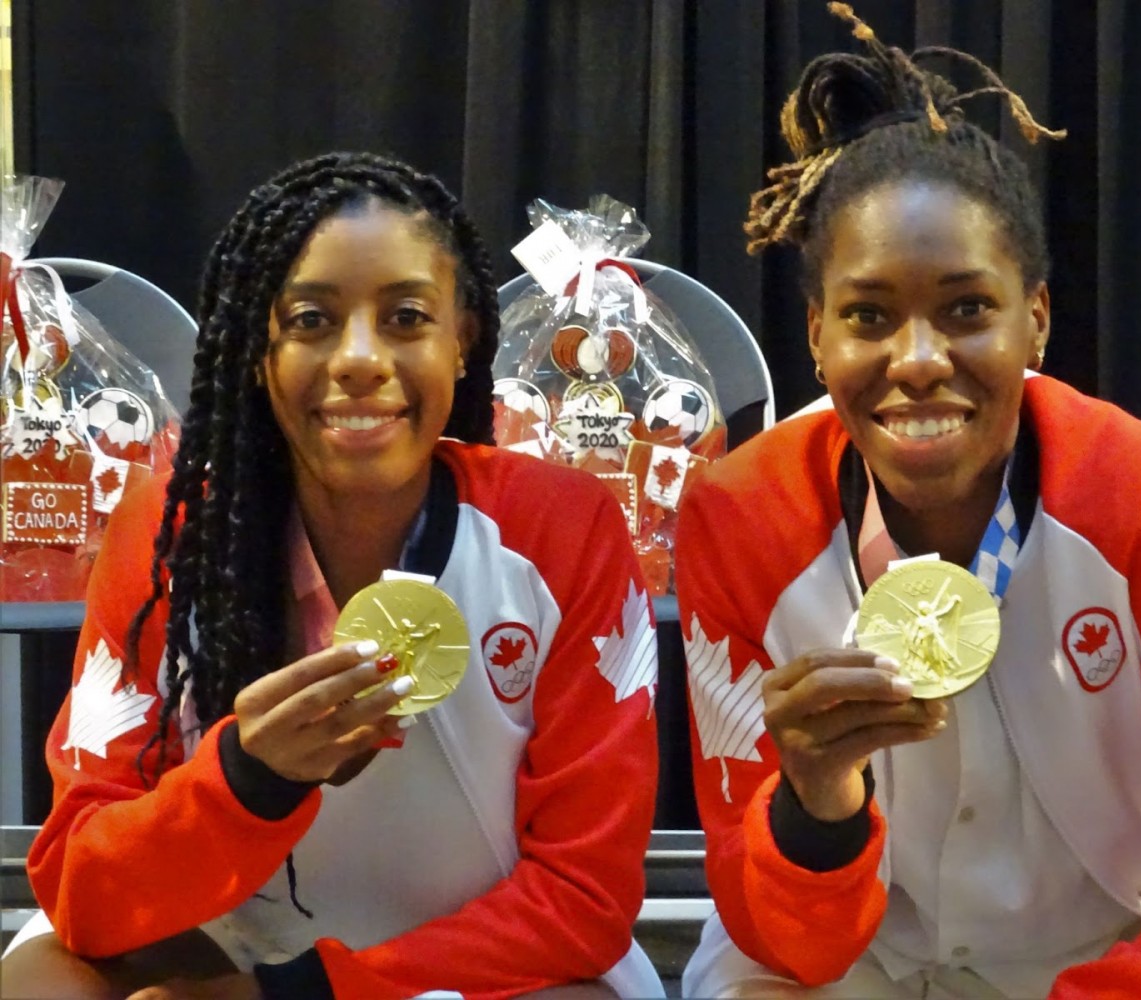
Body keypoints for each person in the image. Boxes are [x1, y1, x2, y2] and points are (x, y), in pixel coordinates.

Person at [674, 6, 1141, 998]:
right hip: (847, 970)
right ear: (816, 336)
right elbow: (782, 937)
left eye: (966, 309)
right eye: (867, 317)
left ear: (1036, 319)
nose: (919, 361)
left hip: (1116, 952)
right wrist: (816, 809)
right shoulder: (736, 516)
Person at [0, 152, 663, 1000]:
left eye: (406, 317)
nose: (357, 357)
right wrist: (247, 779)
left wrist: (303, 994)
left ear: (461, 340)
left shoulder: (559, 528)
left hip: (477, 959)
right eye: (310, 319)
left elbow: (584, 898)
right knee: (41, 983)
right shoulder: (172, 530)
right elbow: (82, 893)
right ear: (254, 350)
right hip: (223, 947)